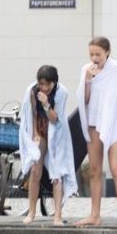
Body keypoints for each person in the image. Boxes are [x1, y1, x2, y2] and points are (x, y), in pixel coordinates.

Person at [75, 37, 117, 227]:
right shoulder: (86, 70)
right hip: (93, 123)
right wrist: (89, 81)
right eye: (91, 54)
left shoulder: (115, 69)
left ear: (107, 52)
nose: (94, 58)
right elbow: (83, 100)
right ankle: (95, 214)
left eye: (98, 54)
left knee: (116, 168)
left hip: (113, 123)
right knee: (94, 170)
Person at [18, 65, 78, 225]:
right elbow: (32, 114)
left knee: (57, 173)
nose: (43, 88)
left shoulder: (61, 92)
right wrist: (35, 136)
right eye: (41, 84)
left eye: (47, 85)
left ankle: (57, 215)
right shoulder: (32, 91)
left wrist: (46, 104)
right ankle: (31, 212)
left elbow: (55, 119)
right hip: (39, 127)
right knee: (35, 169)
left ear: (54, 82)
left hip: (56, 131)